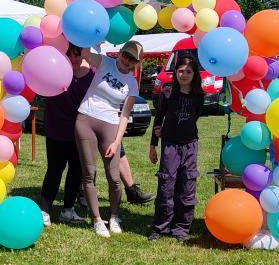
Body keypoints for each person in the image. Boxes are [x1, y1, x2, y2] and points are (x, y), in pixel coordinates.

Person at [75, 40, 142, 237]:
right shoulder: (105, 62)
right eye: (126, 55)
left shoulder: (132, 82)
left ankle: (113, 216)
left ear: (136, 63)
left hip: (110, 125)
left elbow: (125, 115)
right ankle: (97, 220)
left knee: (114, 178)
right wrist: (91, 37)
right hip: (85, 119)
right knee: (89, 173)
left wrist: (116, 141)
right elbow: (85, 54)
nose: (127, 61)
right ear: (120, 53)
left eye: (132, 59)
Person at [148, 53, 204, 241]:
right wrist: (153, 145)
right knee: (166, 185)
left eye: (189, 71)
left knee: (187, 186)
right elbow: (158, 119)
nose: (184, 75)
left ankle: (181, 228)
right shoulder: (168, 92)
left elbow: (194, 118)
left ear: (195, 74)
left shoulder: (198, 96)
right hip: (169, 145)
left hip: (189, 146)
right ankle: (160, 227)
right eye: (181, 71)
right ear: (175, 72)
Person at [40, 45, 91, 225]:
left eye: (78, 56)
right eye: (70, 56)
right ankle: (44, 210)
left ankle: (68, 210)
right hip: (56, 131)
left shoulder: (92, 75)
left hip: (79, 133)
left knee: (76, 172)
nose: (74, 60)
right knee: (54, 170)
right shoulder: (54, 72)